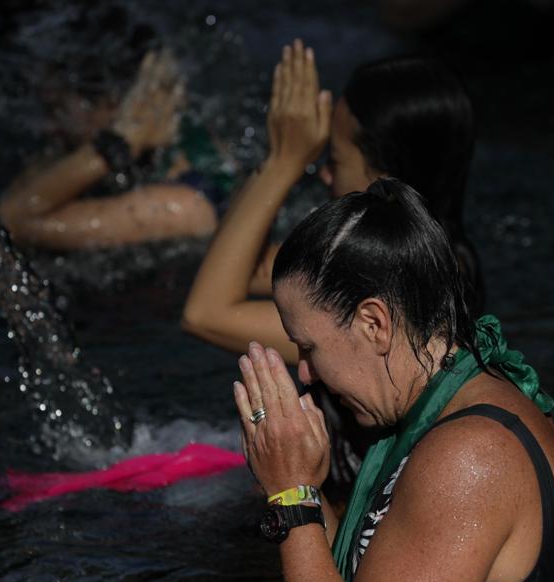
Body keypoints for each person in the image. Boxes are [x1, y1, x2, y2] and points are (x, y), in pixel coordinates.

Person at [232, 178, 554, 582]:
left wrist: (290, 494)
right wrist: (297, 483)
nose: (304, 373)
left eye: (308, 347)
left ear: (373, 323)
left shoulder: (471, 456)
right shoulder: (442, 411)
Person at [181, 40, 484, 503]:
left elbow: (206, 310)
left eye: (335, 160)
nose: (322, 174)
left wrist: (283, 162)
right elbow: (249, 267)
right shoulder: (447, 257)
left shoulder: (401, 282)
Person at [0, 12, 233, 250]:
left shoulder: (183, 203)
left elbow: (7, 224)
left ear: (112, 103)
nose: (48, 127)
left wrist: (119, 141)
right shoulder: (173, 133)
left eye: (56, 110)